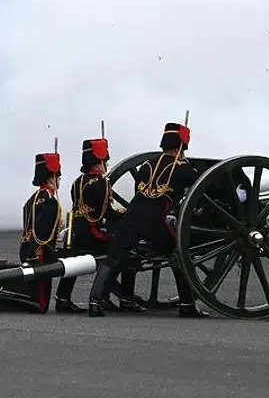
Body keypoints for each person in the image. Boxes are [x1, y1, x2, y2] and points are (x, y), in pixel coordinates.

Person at [87, 121, 209, 317]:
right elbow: (197, 191)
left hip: (131, 217)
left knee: (114, 258)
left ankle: (95, 301)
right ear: (181, 146)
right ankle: (187, 304)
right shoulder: (183, 169)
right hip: (155, 222)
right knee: (178, 257)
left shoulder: (147, 165)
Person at [55, 137, 144, 313]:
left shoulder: (78, 182)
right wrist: (127, 214)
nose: (107, 166)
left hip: (78, 233)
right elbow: (106, 214)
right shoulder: (102, 183)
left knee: (74, 261)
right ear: (99, 162)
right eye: (106, 162)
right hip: (92, 234)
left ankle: (62, 298)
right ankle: (125, 299)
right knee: (129, 254)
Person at [14, 150, 64, 313]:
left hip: (28, 246)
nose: (59, 181)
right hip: (40, 249)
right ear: (52, 177)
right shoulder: (49, 201)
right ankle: (39, 304)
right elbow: (43, 233)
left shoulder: (34, 197)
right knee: (42, 289)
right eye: (58, 177)